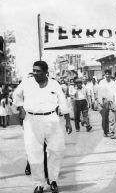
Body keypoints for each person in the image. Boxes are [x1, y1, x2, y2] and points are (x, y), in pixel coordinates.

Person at [13, 61, 72, 193]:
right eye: (34, 70)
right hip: (32, 120)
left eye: (38, 71)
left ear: (46, 72)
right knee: (34, 152)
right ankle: (38, 184)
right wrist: (21, 109)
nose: (35, 73)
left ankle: (53, 180)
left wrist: (68, 121)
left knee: (57, 150)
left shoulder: (54, 83)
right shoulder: (27, 82)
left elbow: (63, 101)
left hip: (52, 119)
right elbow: (16, 95)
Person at [97, 69, 115, 137]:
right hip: (104, 101)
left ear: (111, 74)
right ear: (104, 75)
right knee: (104, 118)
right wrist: (100, 102)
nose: (107, 75)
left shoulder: (113, 82)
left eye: (109, 74)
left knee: (112, 117)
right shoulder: (101, 82)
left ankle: (112, 131)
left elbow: (115, 93)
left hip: (112, 101)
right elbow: (99, 93)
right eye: (106, 74)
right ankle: (105, 130)